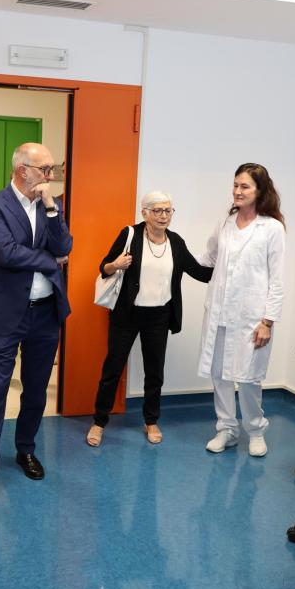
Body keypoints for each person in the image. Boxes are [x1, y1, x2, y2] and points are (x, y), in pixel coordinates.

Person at [0, 143, 72, 504]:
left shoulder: (51, 206)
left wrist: (51, 208)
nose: (50, 176)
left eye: (52, 169)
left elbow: (65, 246)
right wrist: (49, 261)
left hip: (45, 313)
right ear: (21, 169)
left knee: (36, 390)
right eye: (45, 169)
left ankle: (25, 449)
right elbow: (5, 252)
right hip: (5, 313)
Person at [85, 191, 212, 447]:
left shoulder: (175, 242)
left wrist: (228, 265)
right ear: (144, 213)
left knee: (155, 372)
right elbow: (104, 267)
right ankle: (99, 422)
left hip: (159, 317)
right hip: (127, 314)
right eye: (157, 211)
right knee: (113, 369)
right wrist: (116, 265)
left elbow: (198, 272)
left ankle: (151, 420)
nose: (164, 216)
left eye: (168, 210)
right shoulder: (130, 235)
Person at [200, 163, 286, 457]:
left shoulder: (271, 228)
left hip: (252, 318)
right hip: (220, 314)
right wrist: (173, 253)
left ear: (260, 190)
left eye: (244, 186)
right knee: (220, 376)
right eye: (235, 185)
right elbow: (208, 258)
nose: (237, 191)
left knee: (249, 378)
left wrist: (268, 322)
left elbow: (277, 280)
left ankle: (256, 431)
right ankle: (227, 429)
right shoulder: (225, 223)